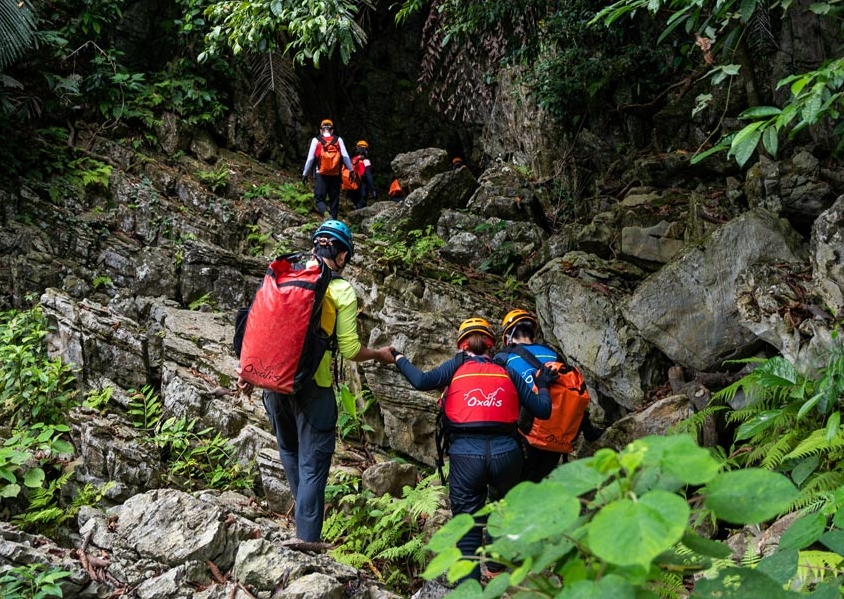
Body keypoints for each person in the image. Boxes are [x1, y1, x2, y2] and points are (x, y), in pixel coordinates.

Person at [238, 219, 392, 551]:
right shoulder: (341, 290)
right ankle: (307, 541)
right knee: (313, 465)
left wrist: (248, 372)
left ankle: (303, 525)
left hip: (272, 382)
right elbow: (349, 349)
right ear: (341, 255)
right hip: (313, 386)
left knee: (290, 451)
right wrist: (378, 355)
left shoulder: (285, 277)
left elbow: (257, 324)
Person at [387, 317, 552, 580]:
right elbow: (543, 409)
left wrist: (398, 357)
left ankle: (471, 586)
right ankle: (496, 570)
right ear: (491, 345)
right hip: (507, 454)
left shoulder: (457, 366)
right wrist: (542, 385)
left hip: (466, 455)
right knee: (502, 510)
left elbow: (421, 381)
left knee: (468, 529)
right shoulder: (506, 369)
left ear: (462, 345)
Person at [498, 308, 598, 482]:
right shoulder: (552, 354)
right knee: (540, 481)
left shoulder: (504, 358)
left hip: (524, 434)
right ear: (532, 331)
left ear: (508, 336)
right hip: (556, 435)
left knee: (518, 484)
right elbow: (571, 391)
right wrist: (588, 431)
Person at [301, 119, 353, 218]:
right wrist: (351, 170)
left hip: (321, 173)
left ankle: (326, 215)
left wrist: (305, 174)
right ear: (332, 130)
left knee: (319, 199)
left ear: (321, 130)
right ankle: (334, 221)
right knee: (334, 200)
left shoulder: (316, 140)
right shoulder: (338, 140)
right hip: (335, 174)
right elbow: (345, 156)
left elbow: (310, 159)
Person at [349, 139, 378, 209]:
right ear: (365, 150)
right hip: (362, 189)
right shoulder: (366, 161)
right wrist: (373, 190)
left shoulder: (351, 160)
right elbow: (369, 176)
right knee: (360, 208)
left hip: (351, 188)